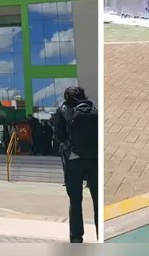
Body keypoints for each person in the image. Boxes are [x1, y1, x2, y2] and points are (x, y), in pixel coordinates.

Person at [53, 86, 98, 244]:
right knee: (97, 200)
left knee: (75, 201)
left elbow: (58, 136)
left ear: (67, 97)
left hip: (73, 161)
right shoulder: (92, 108)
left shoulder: (64, 109)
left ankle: (77, 238)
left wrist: (71, 146)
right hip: (94, 159)